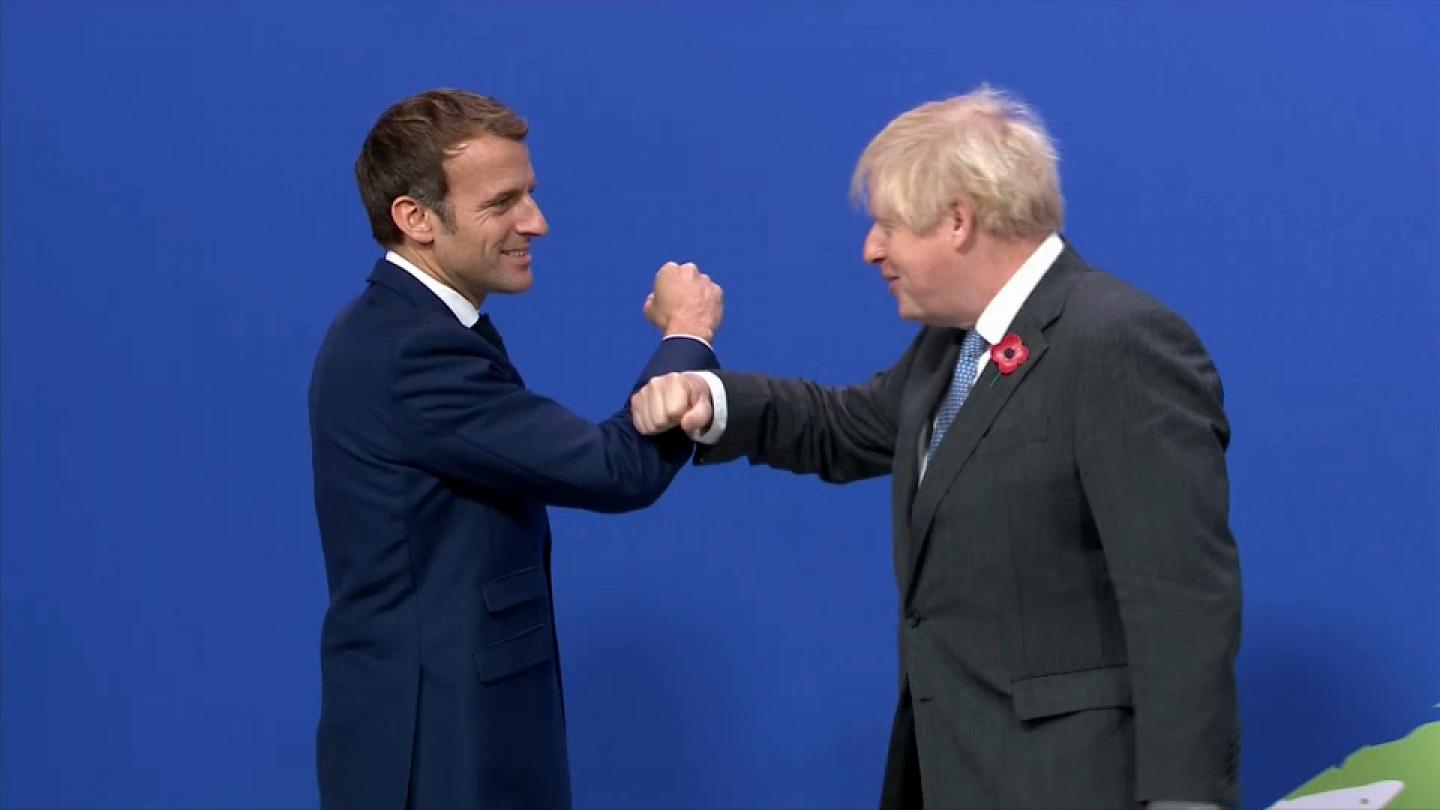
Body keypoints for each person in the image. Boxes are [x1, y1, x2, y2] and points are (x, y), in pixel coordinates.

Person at [631, 86, 1241, 809]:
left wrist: (1185, 800)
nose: (871, 249)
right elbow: (846, 426)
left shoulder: (1118, 340)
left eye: (887, 224)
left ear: (958, 220)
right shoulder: (952, 347)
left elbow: (1181, 603)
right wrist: (710, 399)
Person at [308, 88, 722, 809]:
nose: (536, 222)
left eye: (529, 194)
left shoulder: (409, 330)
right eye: (502, 203)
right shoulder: (413, 352)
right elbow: (614, 469)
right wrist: (687, 335)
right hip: (441, 754)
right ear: (415, 218)